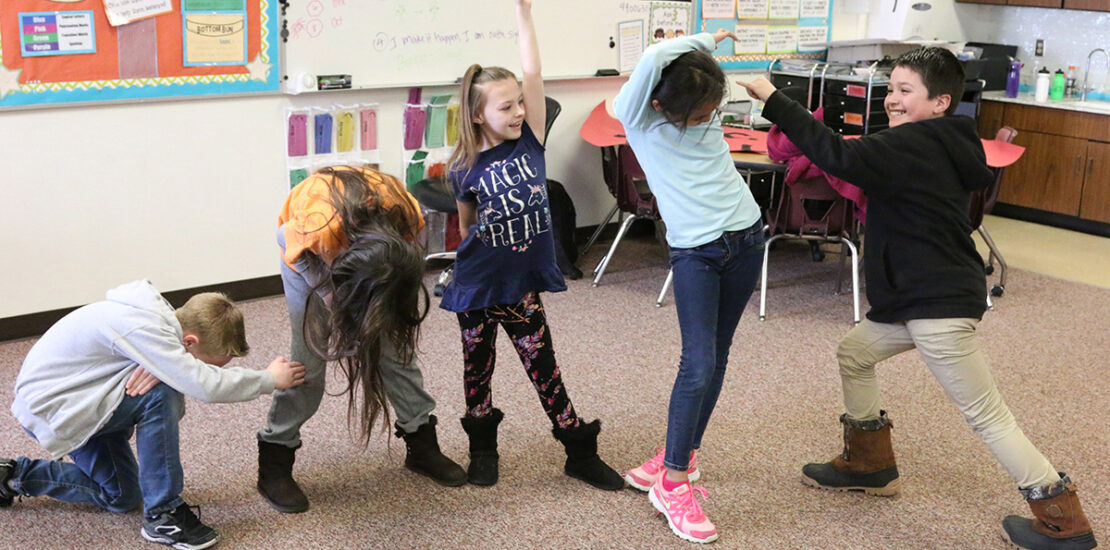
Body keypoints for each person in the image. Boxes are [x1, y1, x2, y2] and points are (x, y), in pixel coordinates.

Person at [739, 47, 1098, 550]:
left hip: (938, 302)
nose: (892, 100)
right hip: (916, 296)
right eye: (891, 89)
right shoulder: (940, 140)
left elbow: (837, 155)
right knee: (855, 353)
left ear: (941, 101)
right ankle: (869, 463)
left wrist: (774, 97)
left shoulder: (912, 144)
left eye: (906, 91)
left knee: (986, 416)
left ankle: (1063, 519)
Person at [442, 0, 622, 491]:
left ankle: (578, 452)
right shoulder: (462, 169)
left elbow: (534, 69)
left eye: (520, 101)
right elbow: (465, 227)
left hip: (519, 288)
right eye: (506, 106)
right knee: (476, 373)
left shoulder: (531, 141)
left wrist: (523, 11)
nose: (519, 110)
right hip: (477, 287)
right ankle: (482, 450)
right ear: (478, 115)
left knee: (545, 369)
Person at [0, 281, 306, 550]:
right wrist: (269, 379)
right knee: (162, 395)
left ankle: (13, 476)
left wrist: (165, 369)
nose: (204, 368)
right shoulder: (143, 329)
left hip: (82, 401)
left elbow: (174, 366)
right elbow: (206, 386)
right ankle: (165, 513)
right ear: (189, 343)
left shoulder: (156, 324)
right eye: (204, 362)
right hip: (56, 408)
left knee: (122, 497)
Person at [613, 30, 765, 544]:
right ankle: (672, 484)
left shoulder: (701, 95)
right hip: (697, 252)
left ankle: (679, 456)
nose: (706, 121)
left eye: (710, 112)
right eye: (697, 116)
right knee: (696, 363)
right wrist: (706, 37)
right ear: (662, 104)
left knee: (717, 357)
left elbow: (687, 74)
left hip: (748, 235)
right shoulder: (636, 115)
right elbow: (656, 54)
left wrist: (711, 50)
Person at [257, 165, 467, 514]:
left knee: (396, 354)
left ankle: (422, 446)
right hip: (306, 260)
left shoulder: (406, 213)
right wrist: (327, 293)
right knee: (306, 363)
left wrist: (382, 311)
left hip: (373, 258)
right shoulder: (320, 227)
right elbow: (285, 237)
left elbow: (405, 268)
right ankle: (274, 464)